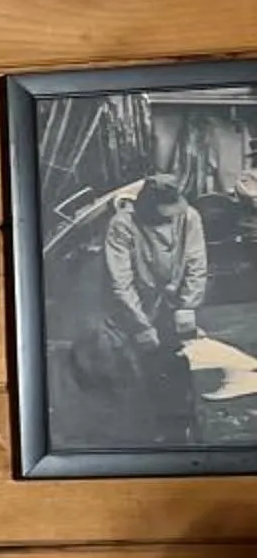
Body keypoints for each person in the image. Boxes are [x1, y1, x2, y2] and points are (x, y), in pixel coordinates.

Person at [89, 175, 207, 437]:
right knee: (135, 370)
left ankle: (183, 427)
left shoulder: (189, 217)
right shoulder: (122, 225)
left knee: (179, 364)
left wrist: (188, 305)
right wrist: (140, 325)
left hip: (171, 302)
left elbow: (197, 263)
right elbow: (120, 283)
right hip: (132, 306)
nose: (170, 219)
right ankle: (148, 435)